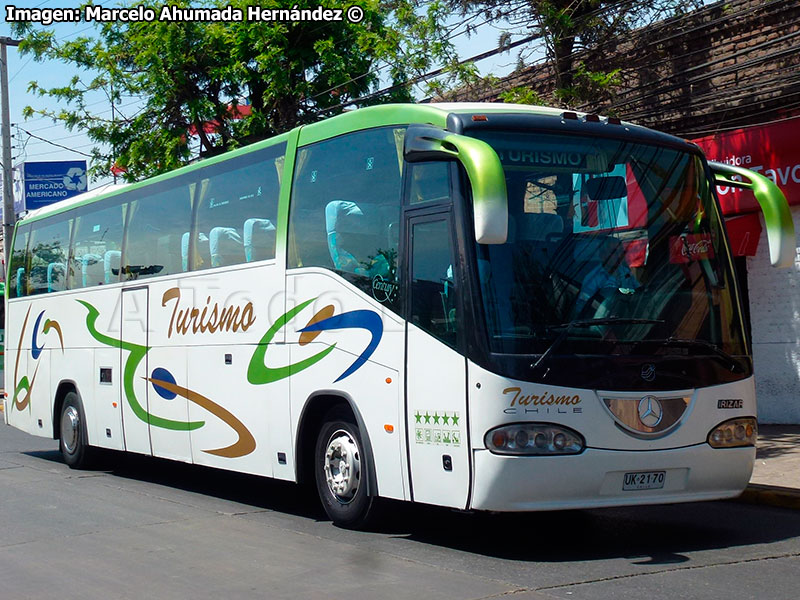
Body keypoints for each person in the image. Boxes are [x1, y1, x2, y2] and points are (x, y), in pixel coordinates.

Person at [573, 238, 639, 318]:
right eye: (614, 252)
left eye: (620, 251)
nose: (619, 255)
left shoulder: (626, 272)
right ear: (603, 255)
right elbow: (582, 308)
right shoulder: (593, 278)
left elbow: (639, 292)